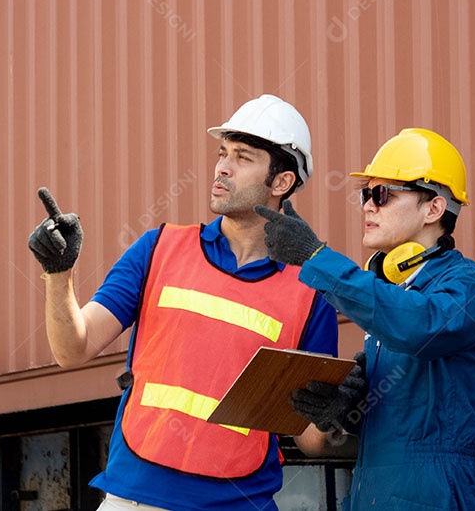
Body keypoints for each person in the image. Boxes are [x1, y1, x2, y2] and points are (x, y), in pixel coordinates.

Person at [27, 94, 339, 511]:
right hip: (134, 498)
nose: (222, 167)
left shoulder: (310, 292)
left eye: (243, 158)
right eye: (222, 153)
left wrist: (337, 410)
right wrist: (58, 273)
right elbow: (73, 349)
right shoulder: (159, 249)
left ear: (281, 183)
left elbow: (311, 439)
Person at [256, 128, 475, 511]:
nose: (368, 206)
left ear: (434, 208)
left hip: (437, 495)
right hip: (374, 492)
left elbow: (418, 328)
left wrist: (314, 256)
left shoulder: (470, 286)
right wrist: (344, 409)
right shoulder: (392, 297)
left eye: (382, 194)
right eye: (365, 195)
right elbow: (405, 416)